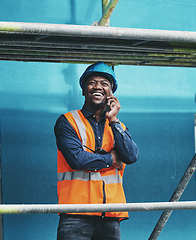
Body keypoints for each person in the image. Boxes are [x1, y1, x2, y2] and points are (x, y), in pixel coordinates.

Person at [54, 61, 139, 240]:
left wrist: (114, 120)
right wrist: (111, 159)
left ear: (111, 93)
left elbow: (131, 156)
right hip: (75, 214)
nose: (97, 87)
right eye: (92, 82)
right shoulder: (67, 122)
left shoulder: (118, 126)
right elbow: (77, 160)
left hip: (110, 215)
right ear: (84, 89)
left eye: (104, 84)